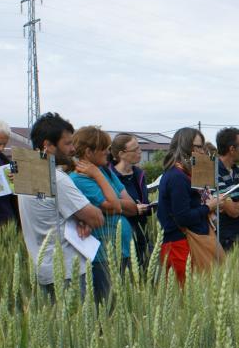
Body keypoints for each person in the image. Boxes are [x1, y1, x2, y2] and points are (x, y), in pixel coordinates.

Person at [18, 113, 104, 298]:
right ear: (47, 145)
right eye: (67, 144)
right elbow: (97, 218)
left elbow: (49, 214)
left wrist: (79, 218)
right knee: (80, 326)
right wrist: (85, 219)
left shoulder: (26, 173)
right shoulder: (56, 179)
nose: (73, 149)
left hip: (42, 269)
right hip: (67, 270)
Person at [68, 126, 138, 302]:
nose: (108, 152)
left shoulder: (106, 171)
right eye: (104, 148)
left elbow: (131, 205)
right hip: (103, 256)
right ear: (89, 152)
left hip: (124, 250)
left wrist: (100, 176)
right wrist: (97, 176)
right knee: (108, 307)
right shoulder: (80, 179)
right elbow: (115, 205)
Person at [157, 127, 221, 284]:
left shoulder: (184, 174)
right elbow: (183, 217)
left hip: (188, 243)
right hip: (180, 246)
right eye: (198, 147)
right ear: (186, 147)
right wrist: (209, 207)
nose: (202, 151)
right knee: (185, 299)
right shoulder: (177, 177)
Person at [109, 133, 152, 267]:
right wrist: (132, 209)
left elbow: (144, 200)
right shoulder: (109, 176)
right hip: (121, 234)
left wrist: (148, 207)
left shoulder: (139, 174)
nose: (140, 152)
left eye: (139, 148)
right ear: (122, 154)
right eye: (135, 149)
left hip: (141, 233)